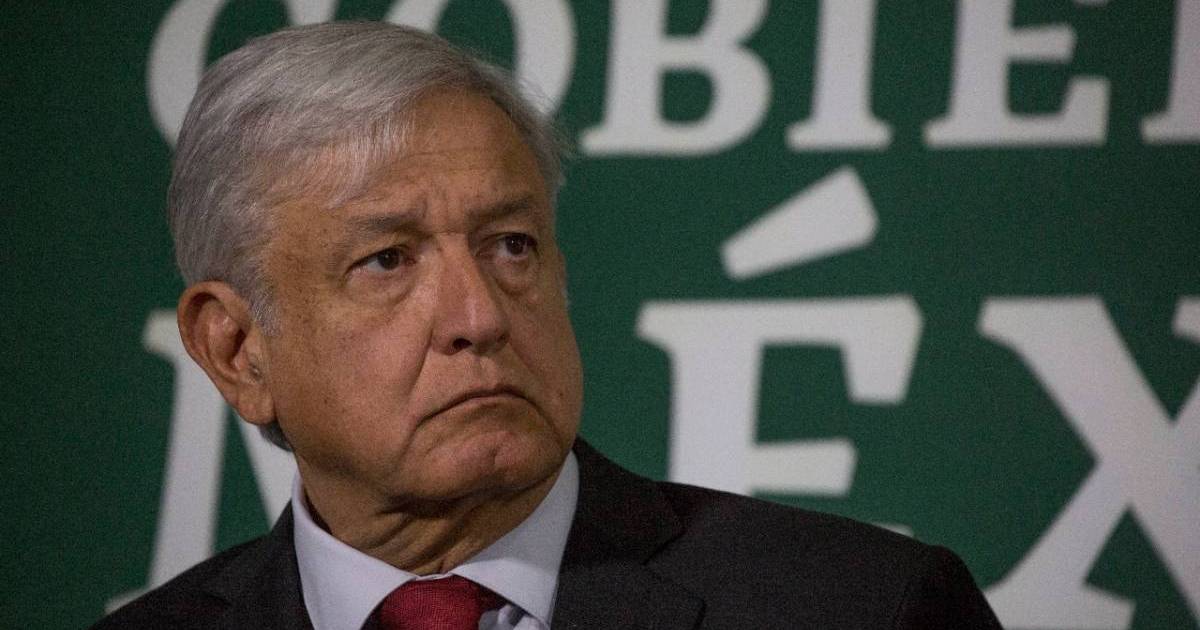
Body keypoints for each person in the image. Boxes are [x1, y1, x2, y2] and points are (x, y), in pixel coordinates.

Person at [95, 21, 1002, 630]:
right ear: (237, 350)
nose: (480, 316)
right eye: (387, 260)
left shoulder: (864, 608)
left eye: (511, 245)